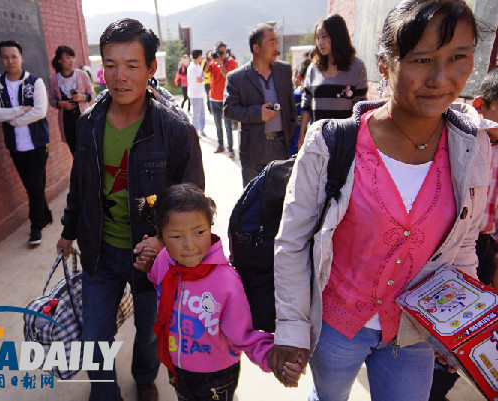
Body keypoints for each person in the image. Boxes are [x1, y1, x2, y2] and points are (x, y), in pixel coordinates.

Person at [269, 1, 491, 400]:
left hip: (413, 335)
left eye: (459, 57)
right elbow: (293, 243)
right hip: (336, 328)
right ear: (385, 63)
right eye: (422, 59)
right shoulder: (331, 144)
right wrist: (291, 328)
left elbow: (463, 246)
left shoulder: (472, 148)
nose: (442, 78)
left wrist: (460, 324)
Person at [55, 18, 205, 401]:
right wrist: (69, 231)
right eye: (110, 65)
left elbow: (192, 199)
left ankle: (143, 377)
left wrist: (161, 240)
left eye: (131, 65)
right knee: (94, 336)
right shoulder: (88, 124)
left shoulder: (174, 129)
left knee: (150, 330)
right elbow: (80, 184)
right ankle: (104, 393)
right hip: (99, 251)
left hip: (149, 256)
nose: (119, 76)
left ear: (151, 68)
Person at [133, 183, 291, 400]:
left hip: (216, 377)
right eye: (176, 236)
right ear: (160, 236)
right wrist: (148, 268)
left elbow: (243, 335)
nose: (189, 245)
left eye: (199, 232)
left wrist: (273, 357)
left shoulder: (226, 282)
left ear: (210, 226)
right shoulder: (163, 261)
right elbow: (160, 283)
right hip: (176, 366)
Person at [429, 66, 498, 401]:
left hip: (485, 247)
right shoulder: (468, 140)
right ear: (482, 106)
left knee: (469, 327)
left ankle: (442, 380)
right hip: (452, 246)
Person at [0, 40, 52, 246]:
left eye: (14, 56)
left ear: (21, 57)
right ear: (0, 59)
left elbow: (40, 111)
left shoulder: (35, 82)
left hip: (38, 144)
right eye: (5, 57)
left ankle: (36, 227)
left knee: (33, 187)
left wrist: (13, 120)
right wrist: (19, 110)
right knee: (34, 185)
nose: (10, 61)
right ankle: (46, 212)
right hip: (15, 146)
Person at [224, 23, 296, 186]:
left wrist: (287, 139)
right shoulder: (236, 77)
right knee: (252, 203)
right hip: (253, 150)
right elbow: (229, 110)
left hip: (280, 148)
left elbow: (291, 108)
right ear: (256, 48)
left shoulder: (284, 70)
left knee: (279, 200)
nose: (276, 46)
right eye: (271, 42)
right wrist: (258, 113)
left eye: (277, 42)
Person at [297, 14, 368, 150]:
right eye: (318, 38)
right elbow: (306, 105)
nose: (320, 42)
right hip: (316, 142)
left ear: (337, 36)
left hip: (344, 143)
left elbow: (360, 110)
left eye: (324, 36)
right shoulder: (313, 69)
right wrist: (302, 136)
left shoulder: (356, 67)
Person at [48, 45, 95, 155]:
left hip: (83, 119)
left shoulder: (82, 74)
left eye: (72, 57)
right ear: (59, 60)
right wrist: (60, 104)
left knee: (90, 152)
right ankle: (80, 172)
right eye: (67, 58)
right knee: (75, 153)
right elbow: (51, 100)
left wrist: (81, 97)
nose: (71, 61)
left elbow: (92, 95)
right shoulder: (54, 79)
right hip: (67, 122)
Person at [207, 41, 237, 158]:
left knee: (228, 126)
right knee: (217, 125)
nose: (220, 54)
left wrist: (220, 64)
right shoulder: (213, 62)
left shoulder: (230, 62)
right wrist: (210, 60)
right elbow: (205, 72)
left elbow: (228, 76)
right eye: (218, 52)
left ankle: (230, 149)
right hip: (213, 98)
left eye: (222, 52)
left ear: (226, 51)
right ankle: (220, 145)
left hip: (226, 99)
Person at [187, 49, 206, 137]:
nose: (201, 57)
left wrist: (202, 78)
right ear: (198, 56)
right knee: (196, 114)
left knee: (202, 114)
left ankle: (202, 130)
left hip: (200, 93)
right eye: (201, 56)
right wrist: (203, 78)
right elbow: (199, 79)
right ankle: (195, 132)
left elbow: (201, 77)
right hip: (195, 94)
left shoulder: (198, 66)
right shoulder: (192, 67)